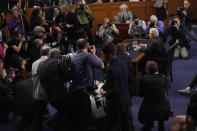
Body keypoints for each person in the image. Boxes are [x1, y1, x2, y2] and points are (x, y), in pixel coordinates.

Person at [69, 38, 104, 131]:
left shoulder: (73, 58)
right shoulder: (88, 56)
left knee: (79, 117)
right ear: (87, 46)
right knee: (85, 118)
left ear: (76, 47)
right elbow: (101, 65)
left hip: (74, 91)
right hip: (83, 91)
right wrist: (94, 53)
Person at [101, 42, 134, 131]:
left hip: (116, 103)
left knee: (113, 126)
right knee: (126, 125)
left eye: (104, 54)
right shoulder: (123, 62)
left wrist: (105, 92)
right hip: (126, 99)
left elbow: (114, 90)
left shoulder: (111, 69)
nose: (102, 56)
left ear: (110, 54)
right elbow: (127, 79)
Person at [38, 48, 71, 131]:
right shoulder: (59, 62)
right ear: (58, 56)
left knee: (61, 110)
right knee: (66, 110)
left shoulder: (41, 64)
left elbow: (41, 81)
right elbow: (68, 77)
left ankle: (54, 122)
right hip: (60, 96)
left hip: (48, 96)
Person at [138, 61, 171, 131]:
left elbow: (140, 95)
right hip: (162, 108)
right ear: (157, 69)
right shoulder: (164, 79)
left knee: (148, 125)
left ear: (147, 70)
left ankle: (149, 125)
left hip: (147, 109)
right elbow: (167, 87)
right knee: (161, 122)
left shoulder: (143, 80)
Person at [32, 46, 50, 131]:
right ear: (49, 53)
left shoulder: (34, 63)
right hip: (49, 94)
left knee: (38, 116)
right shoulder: (51, 63)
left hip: (37, 94)